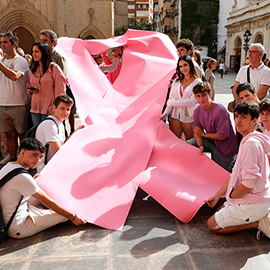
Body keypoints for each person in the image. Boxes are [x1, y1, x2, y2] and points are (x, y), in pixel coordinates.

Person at [206, 101, 270, 240]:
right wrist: (219, 195)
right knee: (219, 210)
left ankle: (257, 223)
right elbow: (234, 173)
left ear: (254, 120)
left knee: (212, 225)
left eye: (243, 117)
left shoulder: (251, 144)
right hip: (256, 198)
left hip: (254, 202)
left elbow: (248, 184)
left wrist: (233, 196)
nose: (238, 121)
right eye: (236, 116)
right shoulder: (250, 139)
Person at [0, 137, 86, 239]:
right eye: (34, 155)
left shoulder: (8, 166)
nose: (37, 160)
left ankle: (43, 211)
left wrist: (32, 180)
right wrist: (73, 217)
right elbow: (48, 201)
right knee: (68, 212)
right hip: (17, 227)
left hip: (11, 216)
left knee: (39, 183)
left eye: (40, 157)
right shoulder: (22, 177)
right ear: (22, 153)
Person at [187, 82, 238, 171]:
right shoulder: (197, 111)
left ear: (210, 94)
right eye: (198, 96)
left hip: (225, 148)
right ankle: (193, 170)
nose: (201, 99)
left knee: (221, 174)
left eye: (204, 95)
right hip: (211, 141)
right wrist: (200, 145)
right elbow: (197, 131)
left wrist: (203, 134)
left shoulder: (220, 110)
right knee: (188, 145)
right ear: (195, 97)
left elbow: (222, 136)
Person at [0, 31, 29, 164]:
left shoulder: (20, 61)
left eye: (5, 42)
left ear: (14, 45)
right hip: (2, 103)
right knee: (9, 135)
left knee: (22, 135)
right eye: (1, 42)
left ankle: (24, 162)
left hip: (18, 103)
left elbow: (14, 76)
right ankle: (12, 160)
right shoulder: (2, 61)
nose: (2, 45)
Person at [35, 95, 82, 172]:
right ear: (54, 108)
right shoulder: (50, 125)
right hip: (45, 170)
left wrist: (77, 131)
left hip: (54, 166)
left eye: (68, 109)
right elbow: (59, 152)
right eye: (62, 108)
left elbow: (63, 145)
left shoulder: (59, 124)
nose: (65, 112)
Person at [161, 55, 201, 140]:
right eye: (180, 66)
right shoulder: (176, 81)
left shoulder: (197, 82)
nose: (183, 68)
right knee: (174, 142)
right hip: (174, 116)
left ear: (190, 65)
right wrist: (164, 115)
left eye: (185, 65)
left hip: (189, 117)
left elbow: (191, 101)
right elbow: (170, 100)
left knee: (190, 144)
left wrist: (173, 103)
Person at [27, 41, 66, 126]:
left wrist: (54, 107)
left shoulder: (53, 68)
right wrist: (30, 90)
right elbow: (28, 85)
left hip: (49, 110)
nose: (34, 54)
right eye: (33, 51)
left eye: (36, 51)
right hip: (35, 110)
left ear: (44, 52)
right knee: (38, 136)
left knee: (49, 136)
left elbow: (60, 90)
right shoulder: (32, 70)